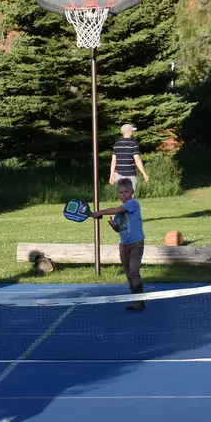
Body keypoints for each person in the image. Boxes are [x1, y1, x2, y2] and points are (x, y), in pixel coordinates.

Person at [90, 179, 146, 311]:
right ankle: (135, 300)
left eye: (126, 192)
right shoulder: (118, 214)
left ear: (132, 192)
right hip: (124, 245)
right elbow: (119, 229)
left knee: (134, 271)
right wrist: (114, 226)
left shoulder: (133, 203)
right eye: (121, 193)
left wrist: (100, 212)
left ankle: (139, 301)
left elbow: (116, 210)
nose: (123, 195)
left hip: (136, 243)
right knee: (128, 273)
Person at [109, 123, 150, 191]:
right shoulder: (133, 144)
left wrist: (111, 175)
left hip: (118, 174)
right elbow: (137, 160)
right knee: (130, 195)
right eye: (132, 130)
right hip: (130, 174)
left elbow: (113, 161)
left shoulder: (116, 144)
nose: (132, 132)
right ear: (129, 132)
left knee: (122, 195)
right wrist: (144, 174)